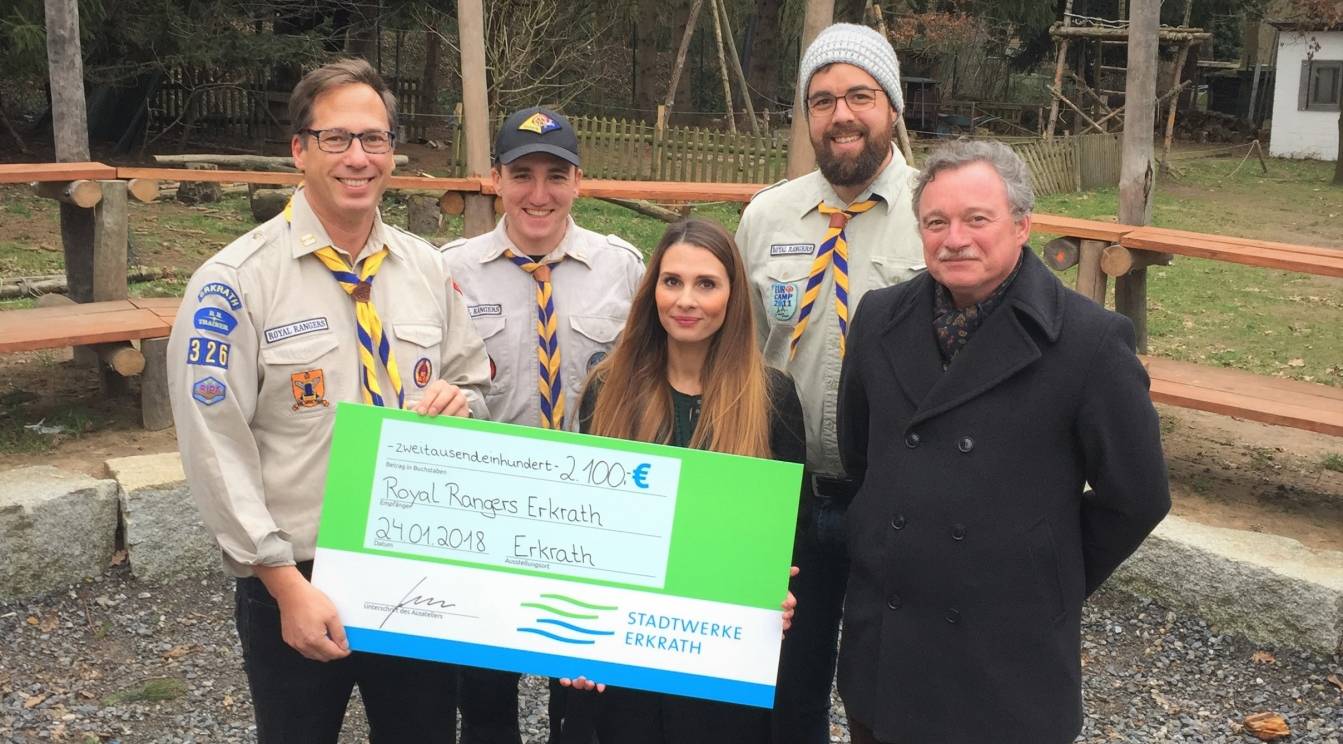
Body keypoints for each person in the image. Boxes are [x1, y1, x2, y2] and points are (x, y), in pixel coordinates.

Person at [167, 58, 490, 743]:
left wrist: (461, 399)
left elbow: (473, 377)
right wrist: (284, 586)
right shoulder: (235, 284)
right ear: (299, 150)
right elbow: (215, 447)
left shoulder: (425, 267)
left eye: (374, 140)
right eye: (336, 139)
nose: (358, 158)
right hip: (299, 570)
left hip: (414, 561)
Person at [836, 139, 1170, 744]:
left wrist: (1044, 573)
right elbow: (864, 459)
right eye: (936, 221)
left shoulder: (1089, 343)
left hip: (1006, 666)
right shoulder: (879, 319)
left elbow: (1139, 496)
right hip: (889, 652)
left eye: (976, 219)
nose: (954, 238)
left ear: (1021, 226)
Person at [733, 22, 924, 743]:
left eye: (859, 95)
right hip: (787, 495)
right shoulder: (766, 216)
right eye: (822, 100)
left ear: (891, 106)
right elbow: (738, 358)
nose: (841, 114)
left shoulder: (931, 217)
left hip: (892, 498)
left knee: (888, 690)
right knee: (789, 685)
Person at [441, 106, 644, 744]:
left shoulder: (624, 269)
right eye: (522, 174)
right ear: (495, 177)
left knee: (585, 696)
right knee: (484, 696)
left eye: (556, 175)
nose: (539, 194)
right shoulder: (449, 269)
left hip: (589, 517)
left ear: (579, 182)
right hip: (488, 515)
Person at [565, 218, 805, 744]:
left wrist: (778, 588)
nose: (686, 300)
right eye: (672, 281)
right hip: (622, 653)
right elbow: (583, 529)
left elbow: (792, 534)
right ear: (652, 290)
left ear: (733, 296)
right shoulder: (608, 390)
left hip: (721, 658)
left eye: (707, 284)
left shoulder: (773, 399)